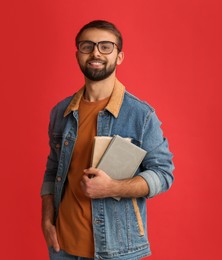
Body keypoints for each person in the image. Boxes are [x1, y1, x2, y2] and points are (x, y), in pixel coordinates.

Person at [41, 20, 174, 260]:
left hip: (116, 251)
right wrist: (47, 221)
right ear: (77, 54)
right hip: (62, 248)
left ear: (119, 56)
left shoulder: (140, 115)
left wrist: (112, 188)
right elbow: (53, 171)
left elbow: (164, 174)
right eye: (87, 46)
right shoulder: (60, 112)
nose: (95, 52)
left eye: (105, 46)